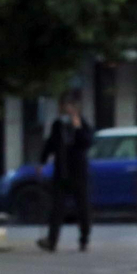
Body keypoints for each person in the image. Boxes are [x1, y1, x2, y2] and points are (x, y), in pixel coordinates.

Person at [36, 90, 94, 252]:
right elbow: (50, 144)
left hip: (78, 172)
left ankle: (84, 238)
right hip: (62, 171)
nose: (67, 110)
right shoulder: (58, 125)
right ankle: (51, 240)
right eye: (64, 106)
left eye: (70, 106)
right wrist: (42, 161)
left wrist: (78, 128)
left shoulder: (82, 124)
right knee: (57, 207)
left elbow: (87, 143)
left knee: (82, 207)